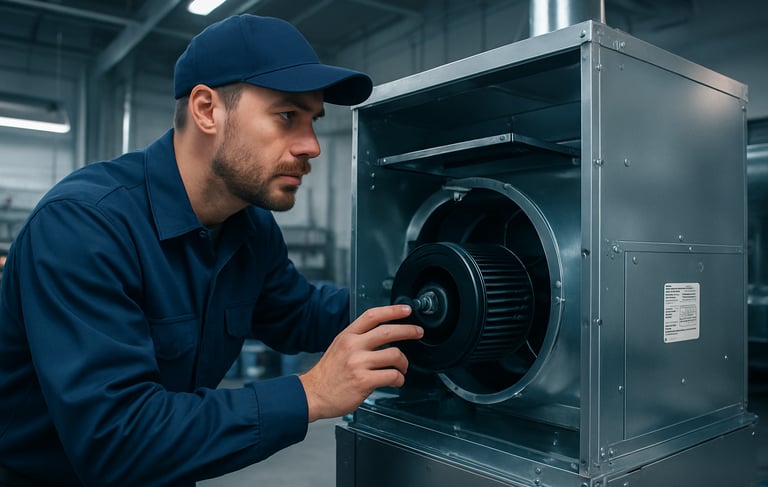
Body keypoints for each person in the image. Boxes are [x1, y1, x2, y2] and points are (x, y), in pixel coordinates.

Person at [0, 14, 423, 487]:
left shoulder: (249, 226)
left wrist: (412, 306)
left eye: (313, 121)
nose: (312, 146)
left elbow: (297, 312)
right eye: (287, 116)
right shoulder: (83, 226)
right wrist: (311, 393)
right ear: (206, 110)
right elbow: (117, 440)